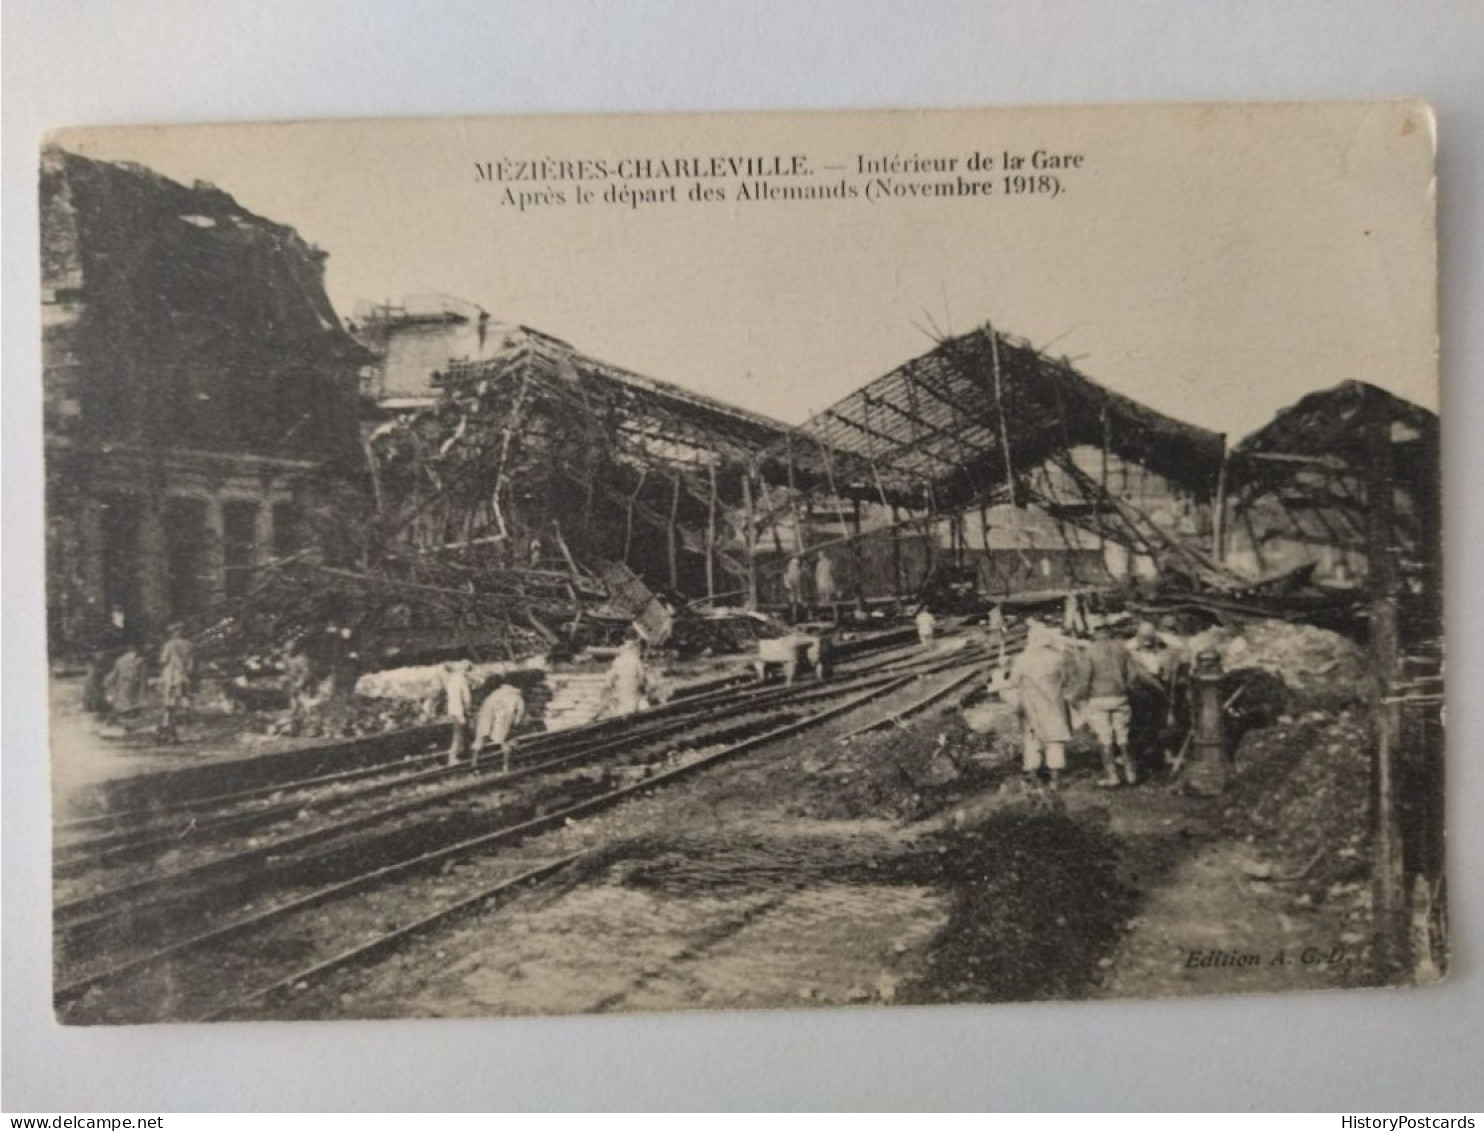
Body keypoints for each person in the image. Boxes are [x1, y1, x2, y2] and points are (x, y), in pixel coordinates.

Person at [1071, 624, 1158, 786]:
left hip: (1099, 698)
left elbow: (1084, 681)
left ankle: (1112, 776)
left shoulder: (1090, 651)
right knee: (1123, 737)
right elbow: (1133, 676)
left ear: (1096, 633)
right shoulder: (1122, 649)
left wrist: (1076, 699)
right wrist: (1123, 689)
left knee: (1105, 738)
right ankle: (1131, 773)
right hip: (1120, 697)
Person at [1008, 621, 1075, 791]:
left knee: (1032, 742)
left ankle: (1034, 779)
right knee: (1055, 742)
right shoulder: (1057, 657)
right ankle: (1055, 780)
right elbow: (1066, 679)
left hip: (1031, 705)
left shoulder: (1022, 659)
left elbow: (1014, 681)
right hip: (1053, 705)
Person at [473, 681, 527, 771]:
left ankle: (474, 766)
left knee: (481, 740)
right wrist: (516, 725)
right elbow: (519, 715)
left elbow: (483, 709)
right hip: (505, 719)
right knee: (508, 740)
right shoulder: (517, 697)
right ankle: (506, 766)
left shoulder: (494, 694)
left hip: (486, 718)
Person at [157, 623, 195, 744]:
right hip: (183, 676)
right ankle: (184, 731)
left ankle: (168, 730)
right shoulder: (189, 645)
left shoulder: (169, 645)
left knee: (170, 703)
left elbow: (163, 660)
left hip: (171, 676)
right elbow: (191, 665)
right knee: (185, 701)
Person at [442, 659, 474, 765]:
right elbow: (466, 698)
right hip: (460, 710)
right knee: (458, 734)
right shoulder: (461, 680)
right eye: (469, 671)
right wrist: (467, 711)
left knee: (462, 733)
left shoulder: (452, 680)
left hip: (454, 710)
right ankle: (453, 757)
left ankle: (465, 753)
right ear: (466, 670)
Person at [606, 637, 648, 716]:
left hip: (621, 688)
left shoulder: (617, 660)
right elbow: (642, 676)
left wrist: (611, 686)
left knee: (623, 709)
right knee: (635, 706)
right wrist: (641, 686)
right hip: (631, 688)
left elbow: (611, 676)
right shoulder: (635, 660)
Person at [104, 644, 147, 717]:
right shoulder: (140, 661)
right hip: (134, 682)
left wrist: (108, 681)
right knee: (132, 697)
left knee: (123, 696)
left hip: (123, 681)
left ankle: (123, 711)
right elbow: (142, 676)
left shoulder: (120, 660)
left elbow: (115, 673)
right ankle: (130, 712)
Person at [814, 552, 838, 621]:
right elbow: (832, 572)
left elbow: (817, 574)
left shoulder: (819, 564)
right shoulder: (829, 562)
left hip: (823, 581)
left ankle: (825, 614)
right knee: (828, 597)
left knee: (824, 598)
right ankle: (828, 614)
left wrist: (817, 580)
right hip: (826, 581)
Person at [782, 554, 805, 622]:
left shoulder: (791, 567)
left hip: (792, 587)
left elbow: (787, 577)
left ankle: (795, 618)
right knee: (795, 602)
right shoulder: (795, 569)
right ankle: (795, 617)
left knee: (794, 603)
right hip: (793, 587)